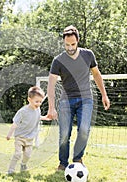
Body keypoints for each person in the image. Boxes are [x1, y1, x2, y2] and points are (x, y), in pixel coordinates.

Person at [46, 25, 110, 171]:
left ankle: (77, 159)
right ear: (63, 43)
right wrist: (51, 107)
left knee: (84, 130)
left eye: (73, 44)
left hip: (86, 99)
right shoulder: (58, 60)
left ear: (78, 41)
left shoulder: (88, 55)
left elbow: (96, 75)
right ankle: (63, 163)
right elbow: (51, 83)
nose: (70, 47)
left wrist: (104, 95)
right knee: (63, 135)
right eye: (67, 45)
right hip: (66, 101)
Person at [6, 86, 49, 174]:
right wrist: (9, 134)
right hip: (20, 137)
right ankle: (11, 169)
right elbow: (15, 124)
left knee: (28, 155)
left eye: (40, 102)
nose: (39, 104)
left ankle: (23, 164)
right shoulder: (23, 111)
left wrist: (45, 118)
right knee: (17, 154)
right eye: (36, 101)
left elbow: (36, 117)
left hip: (30, 138)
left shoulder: (38, 110)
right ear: (29, 99)